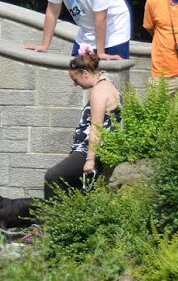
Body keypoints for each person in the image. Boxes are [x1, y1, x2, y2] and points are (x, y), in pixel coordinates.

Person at [44, 45, 122, 199]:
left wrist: (90, 160)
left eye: (75, 79)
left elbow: (96, 127)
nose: (75, 84)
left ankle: (51, 221)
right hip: (89, 150)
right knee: (75, 191)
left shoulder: (99, 91)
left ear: (85, 73)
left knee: (52, 177)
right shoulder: (107, 83)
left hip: (90, 151)